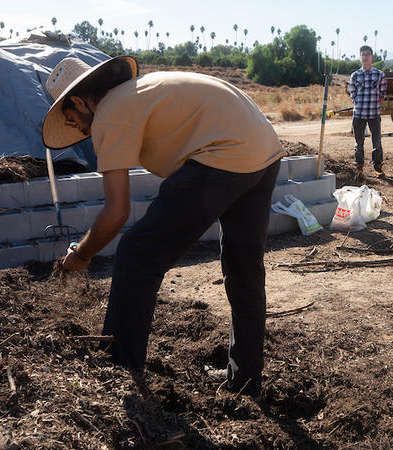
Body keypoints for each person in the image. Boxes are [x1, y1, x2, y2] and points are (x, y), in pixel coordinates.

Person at [43, 56, 283, 396]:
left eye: (72, 120)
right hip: (264, 150)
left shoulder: (109, 112)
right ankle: (245, 379)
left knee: (137, 254)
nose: (80, 130)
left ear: (81, 102)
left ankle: (120, 371)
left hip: (222, 155)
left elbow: (116, 212)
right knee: (244, 270)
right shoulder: (139, 93)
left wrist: (82, 254)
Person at [348, 45, 386, 174]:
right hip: (359, 114)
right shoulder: (355, 75)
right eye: (363, 54)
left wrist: (375, 105)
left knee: (377, 141)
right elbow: (352, 94)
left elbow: (382, 95)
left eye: (368, 54)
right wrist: (358, 104)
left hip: (374, 113)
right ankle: (359, 165)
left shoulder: (379, 74)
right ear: (360, 57)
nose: (365, 57)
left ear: (372, 57)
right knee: (359, 142)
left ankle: (377, 166)